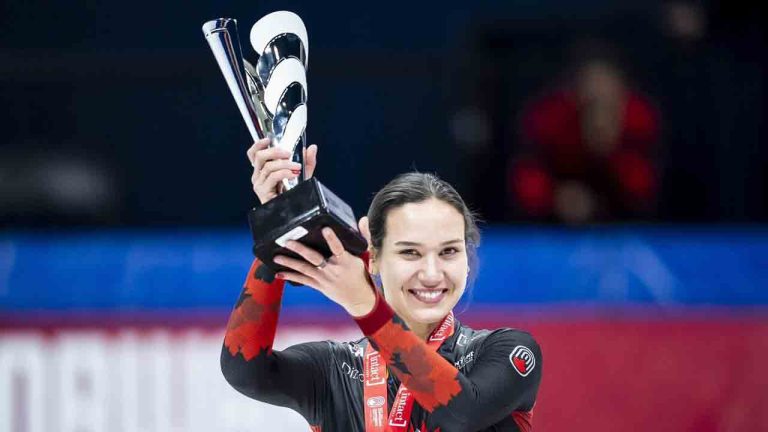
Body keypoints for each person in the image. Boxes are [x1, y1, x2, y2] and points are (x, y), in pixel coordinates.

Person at [221, 138, 542, 432]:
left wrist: (367, 307)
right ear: (373, 257)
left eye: (449, 251)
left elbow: (462, 413)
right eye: (410, 252)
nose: (432, 273)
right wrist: (280, 224)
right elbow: (245, 371)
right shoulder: (337, 369)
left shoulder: (505, 351)